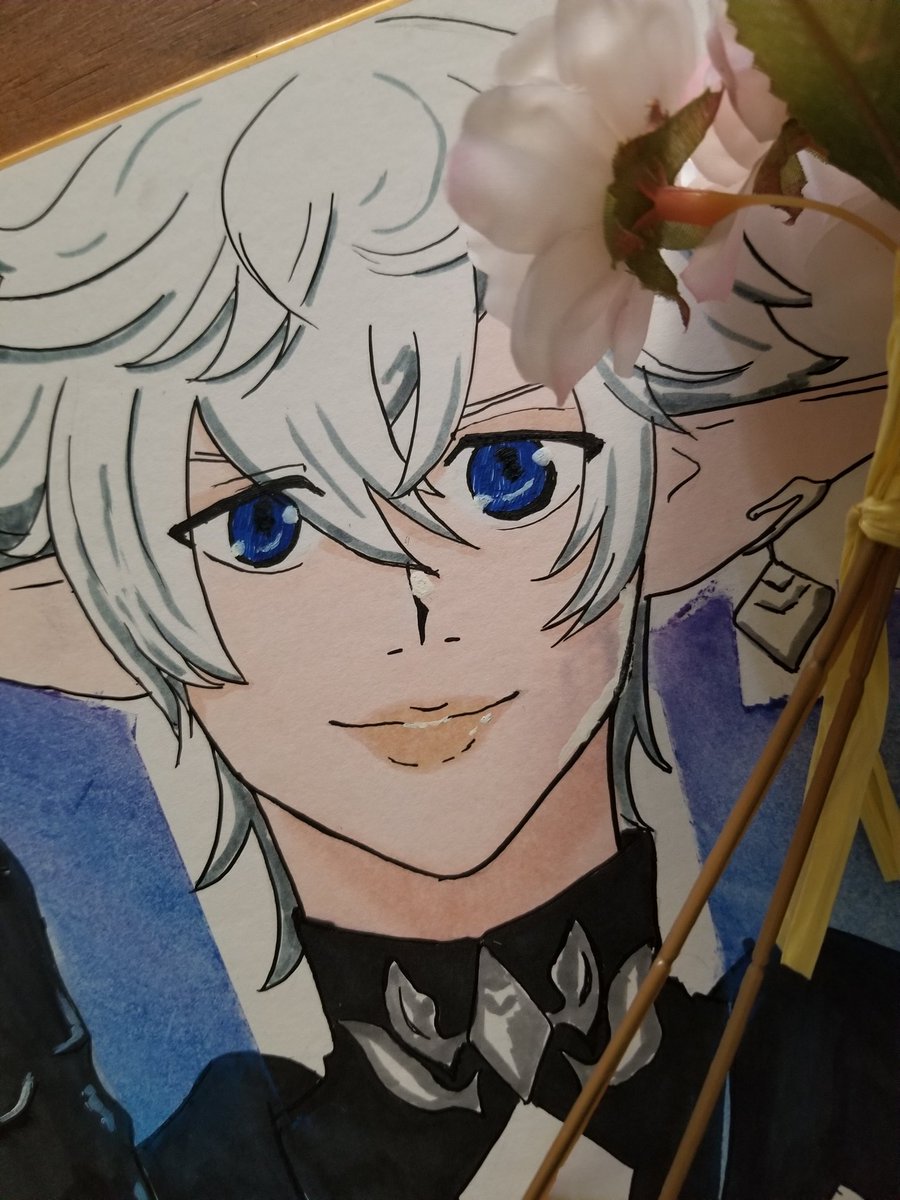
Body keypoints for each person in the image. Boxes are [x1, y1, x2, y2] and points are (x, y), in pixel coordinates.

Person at [0, 5, 897, 1198]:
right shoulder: (180, 1174)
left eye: (508, 473)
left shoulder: (850, 1053)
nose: (406, 609)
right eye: (262, 527)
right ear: (99, 607)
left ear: (672, 488)